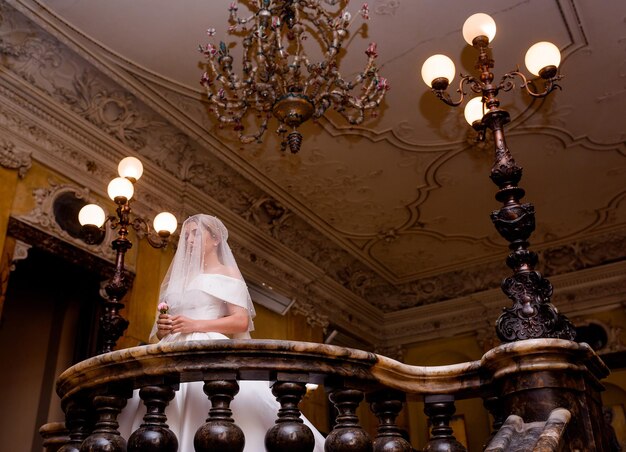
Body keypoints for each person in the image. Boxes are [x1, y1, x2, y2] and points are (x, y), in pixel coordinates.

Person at [118, 214, 326, 451]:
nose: (189, 240)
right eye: (186, 235)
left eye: (195, 233)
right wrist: (163, 329)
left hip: (208, 349)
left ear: (215, 239)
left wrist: (195, 325)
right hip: (171, 350)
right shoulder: (180, 277)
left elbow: (241, 320)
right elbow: (158, 331)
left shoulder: (227, 272)